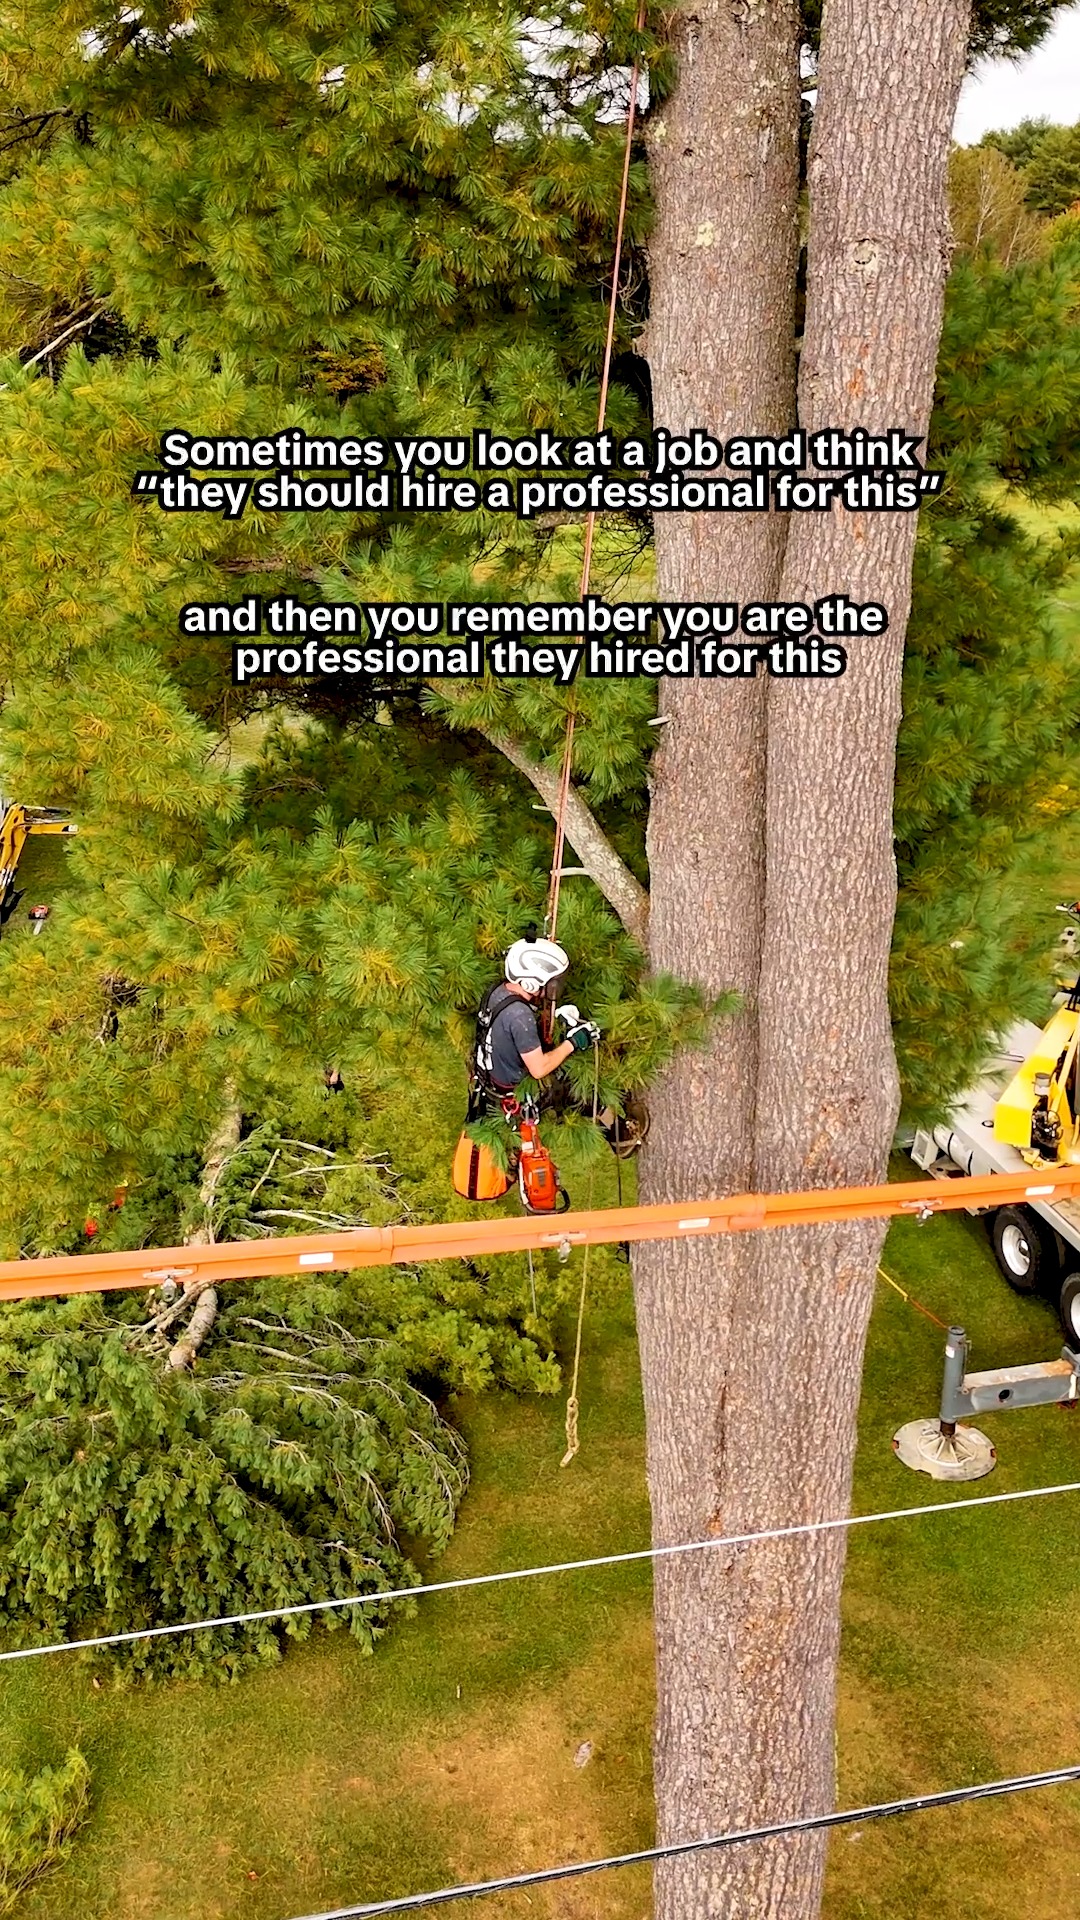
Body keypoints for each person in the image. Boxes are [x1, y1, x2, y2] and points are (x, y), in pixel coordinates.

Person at [473, 938, 600, 1098]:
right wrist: (574, 1042)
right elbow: (539, 1069)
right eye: (551, 983)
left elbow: (511, 1029)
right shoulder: (520, 1016)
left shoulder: (499, 990)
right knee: (567, 1088)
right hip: (512, 1087)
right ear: (531, 983)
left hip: (490, 1073)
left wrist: (554, 1018)